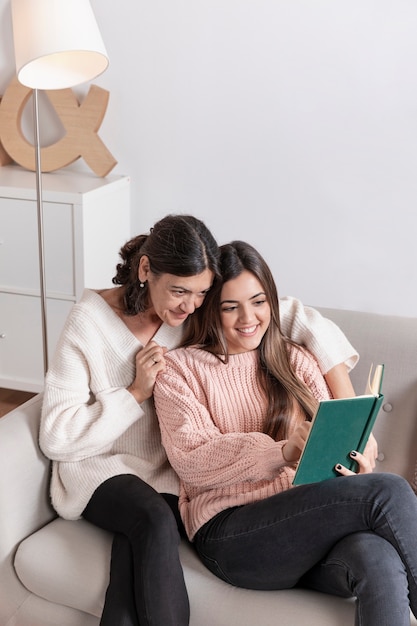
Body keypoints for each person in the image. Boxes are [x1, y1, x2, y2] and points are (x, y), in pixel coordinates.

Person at [40, 216, 360, 626]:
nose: (190, 306)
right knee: (152, 519)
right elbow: (56, 436)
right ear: (145, 271)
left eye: (201, 293)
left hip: (169, 470)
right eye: (179, 291)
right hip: (99, 464)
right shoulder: (87, 323)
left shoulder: (190, 309)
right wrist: (134, 393)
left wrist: (351, 414)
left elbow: (292, 313)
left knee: (134, 551)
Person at [154, 240, 417, 626]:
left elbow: (329, 445)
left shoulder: (294, 358)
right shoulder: (180, 370)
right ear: (211, 308)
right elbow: (193, 461)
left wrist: (350, 469)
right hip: (232, 534)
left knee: (376, 555)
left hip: (305, 530)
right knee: (389, 490)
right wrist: (280, 452)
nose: (249, 317)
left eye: (259, 302)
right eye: (231, 306)